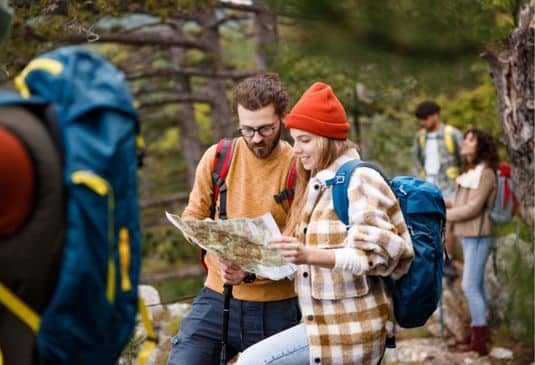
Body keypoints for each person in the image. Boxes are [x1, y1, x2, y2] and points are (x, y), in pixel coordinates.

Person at [236, 82, 414, 365]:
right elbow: (307, 265)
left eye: (305, 140)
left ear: (329, 139)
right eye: (294, 140)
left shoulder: (360, 180)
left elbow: (383, 255)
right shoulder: (320, 184)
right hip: (323, 327)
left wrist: (309, 255)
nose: (296, 150)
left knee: (253, 362)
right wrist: (253, 263)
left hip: (350, 330)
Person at [167, 73, 301, 365]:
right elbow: (193, 216)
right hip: (216, 297)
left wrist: (250, 272)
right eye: (247, 129)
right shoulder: (218, 157)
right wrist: (212, 242)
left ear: (283, 119)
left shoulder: (297, 167)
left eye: (266, 129)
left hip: (277, 308)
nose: (256, 138)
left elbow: (300, 250)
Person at [446, 128, 498, 356]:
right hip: (467, 234)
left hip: (479, 234)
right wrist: (437, 202)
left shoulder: (486, 173)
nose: (464, 143)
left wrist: (444, 215)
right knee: (476, 286)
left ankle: (478, 342)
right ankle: (480, 333)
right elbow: (458, 202)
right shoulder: (471, 171)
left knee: (469, 286)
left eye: (470, 140)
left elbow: (473, 208)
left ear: (480, 145)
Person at [412, 100, 463, 276]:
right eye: (420, 119)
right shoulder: (420, 137)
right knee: (428, 222)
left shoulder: (452, 134)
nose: (422, 123)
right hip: (427, 185)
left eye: (425, 118)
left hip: (448, 186)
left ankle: (447, 260)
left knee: (448, 221)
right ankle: (431, 258)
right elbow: (417, 159)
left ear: (435, 115)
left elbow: (463, 160)